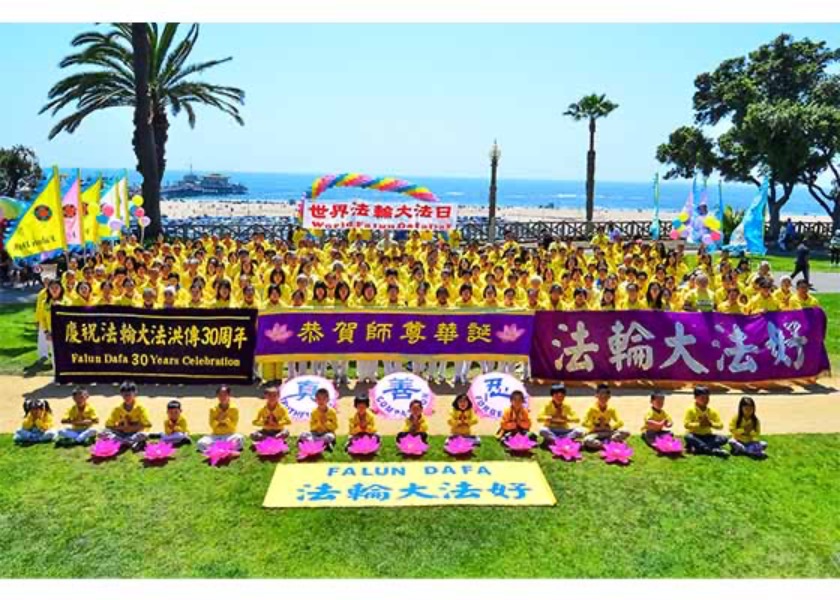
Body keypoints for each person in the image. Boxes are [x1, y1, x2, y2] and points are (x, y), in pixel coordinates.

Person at [101, 381, 151, 451]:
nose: (127, 397)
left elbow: (147, 425)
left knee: (144, 434)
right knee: (103, 433)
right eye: (125, 395)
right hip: (121, 433)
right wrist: (122, 428)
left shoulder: (140, 408)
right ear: (121, 394)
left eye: (129, 395)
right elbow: (108, 425)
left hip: (134, 433)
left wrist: (131, 428)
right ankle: (130, 443)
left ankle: (122, 443)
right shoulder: (117, 409)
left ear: (135, 393)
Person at [683, 385, 729, 458]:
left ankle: (699, 448)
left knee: (724, 438)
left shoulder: (711, 411)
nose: (705, 400)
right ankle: (712, 450)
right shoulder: (690, 410)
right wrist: (699, 424)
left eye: (707, 398)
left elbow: (720, 425)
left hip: (707, 436)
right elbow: (686, 424)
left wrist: (710, 424)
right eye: (702, 398)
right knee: (688, 436)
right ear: (695, 398)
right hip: (695, 435)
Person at [197, 384, 245, 452]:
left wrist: (227, 421)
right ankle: (226, 449)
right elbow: (212, 426)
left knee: (240, 438)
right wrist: (218, 420)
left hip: (229, 435)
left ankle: (217, 449)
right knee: (200, 443)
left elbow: (233, 427)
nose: (222, 397)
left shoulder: (234, 409)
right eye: (220, 395)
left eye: (225, 395)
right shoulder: (213, 409)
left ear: (229, 396)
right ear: (217, 396)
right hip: (216, 436)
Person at [581, 383, 630, 450]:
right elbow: (583, 422)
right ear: (596, 395)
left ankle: (605, 443)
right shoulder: (591, 409)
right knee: (587, 440)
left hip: (608, 432)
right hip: (595, 433)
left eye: (606, 394)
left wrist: (611, 427)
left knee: (626, 431)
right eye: (601, 394)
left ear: (609, 396)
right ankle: (605, 445)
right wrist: (594, 428)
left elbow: (620, 422)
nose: (603, 396)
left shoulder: (611, 409)